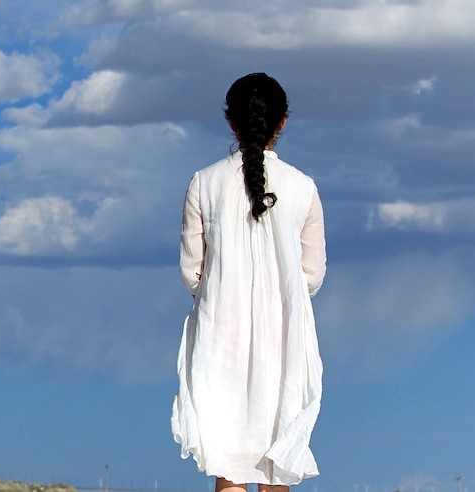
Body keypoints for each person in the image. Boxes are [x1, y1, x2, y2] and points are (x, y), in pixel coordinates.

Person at [171, 72, 327, 492]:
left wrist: (223, 289)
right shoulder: (303, 188)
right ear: (283, 123)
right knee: (277, 466)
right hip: (284, 336)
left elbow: (192, 271)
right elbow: (311, 275)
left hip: (221, 337)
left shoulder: (204, 182)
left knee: (229, 466)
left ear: (231, 122)